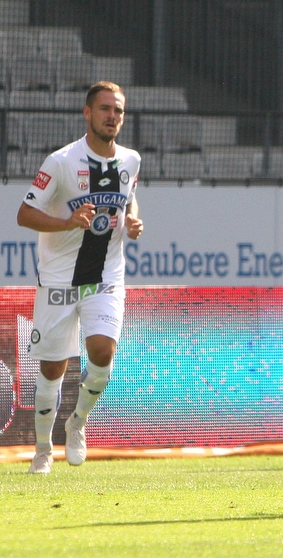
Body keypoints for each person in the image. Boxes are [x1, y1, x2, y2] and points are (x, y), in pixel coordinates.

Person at [17, 81, 143, 474]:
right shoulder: (60, 161)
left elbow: (129, 195)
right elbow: (24, 214)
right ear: (87, 113)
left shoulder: (131, 160)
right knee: (53, 368)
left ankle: (78, 423)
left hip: (106, 275)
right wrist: (67, 222)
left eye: (118, 111)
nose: (112, 117)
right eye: (105, 109)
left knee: (103, 352)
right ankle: (42, 448)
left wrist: (134, 219)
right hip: (58, 280)